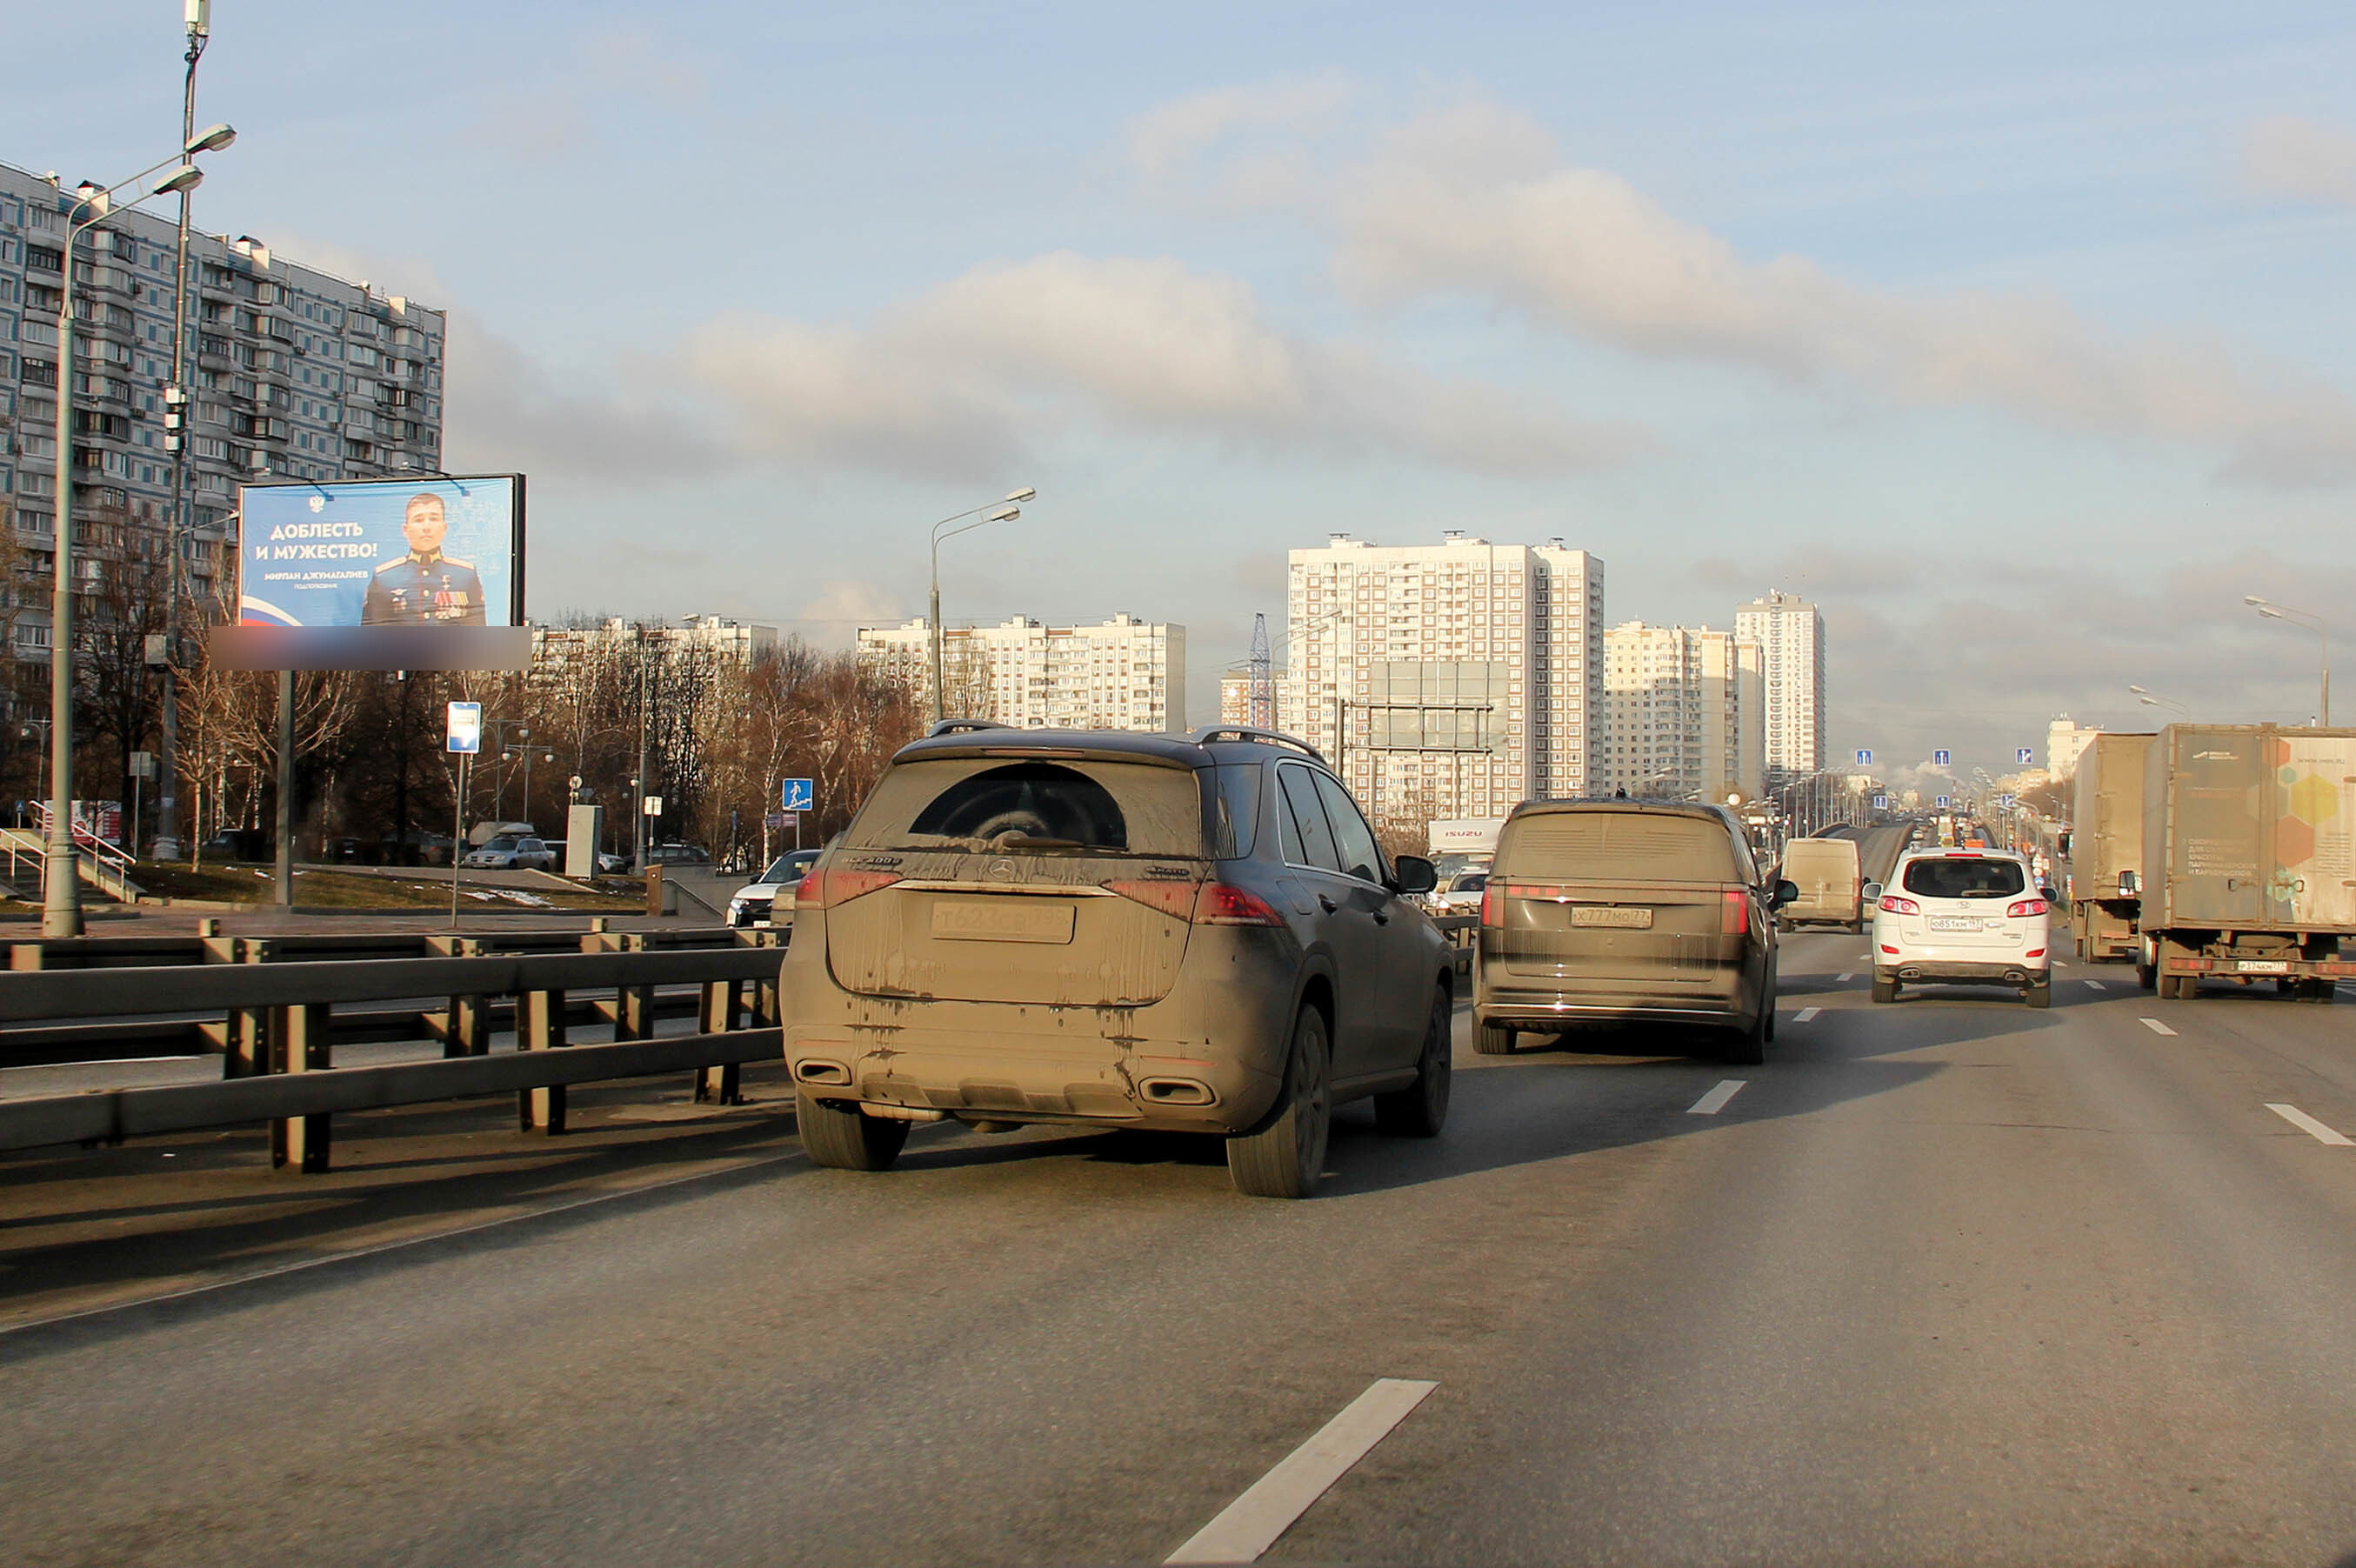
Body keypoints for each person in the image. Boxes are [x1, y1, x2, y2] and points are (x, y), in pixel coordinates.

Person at [363, 492, 488, 625]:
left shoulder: (465, 575)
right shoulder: (385, 577)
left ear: (444, 528)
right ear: (405, 530)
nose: (426, 527)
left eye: (434, 519)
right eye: (418, 520)